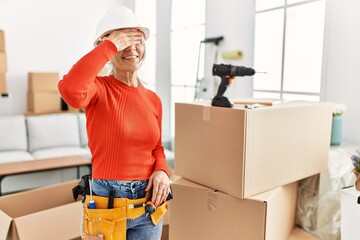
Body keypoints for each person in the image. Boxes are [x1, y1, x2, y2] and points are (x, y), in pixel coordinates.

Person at [58, 6, 171, 240]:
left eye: (136, 39)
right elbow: (69, 89)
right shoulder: (98, 89)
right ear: (107, 48)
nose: (131, 47)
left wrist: (162, 170)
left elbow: (157, 148)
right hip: (107, 204)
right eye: (122, 41)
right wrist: (109, 46)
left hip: (148, 204)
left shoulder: (153, 99)